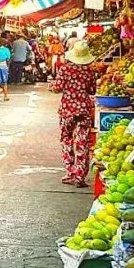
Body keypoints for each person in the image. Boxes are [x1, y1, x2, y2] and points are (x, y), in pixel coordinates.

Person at [50, 41, 96, 187]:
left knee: (66, 139)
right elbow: (92, 91)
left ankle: (70, 172)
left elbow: (57, 88)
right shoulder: (89, 71)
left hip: (67, 110)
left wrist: (53, 86)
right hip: (84, 110)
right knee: (82, 142)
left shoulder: (65, 69)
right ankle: (80, 176)